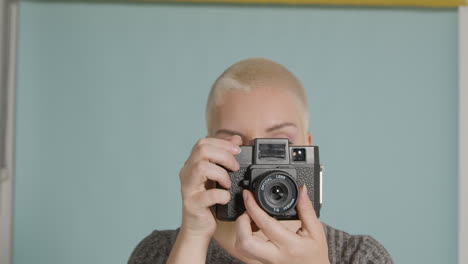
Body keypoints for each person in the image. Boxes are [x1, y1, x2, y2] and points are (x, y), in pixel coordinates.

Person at [128, 58, 393, 264]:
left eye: (280, 144)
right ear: (208, 152)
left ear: (307, 148)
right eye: (237, 145)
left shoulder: (358, 256)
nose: (260, 167)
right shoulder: (160, 253)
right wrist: (194, 237)